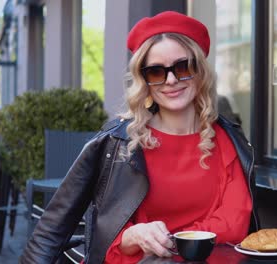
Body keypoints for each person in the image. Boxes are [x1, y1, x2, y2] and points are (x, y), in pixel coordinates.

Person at [20, 11, 259, 264]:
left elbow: (235, 223)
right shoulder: (116, 142)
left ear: (200, 72)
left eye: (182, 67)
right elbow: (51, 230)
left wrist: (164, 241)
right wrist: (131, 237)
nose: (171, 80)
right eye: (156, 72)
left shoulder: (228, 139)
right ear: (143, 80)